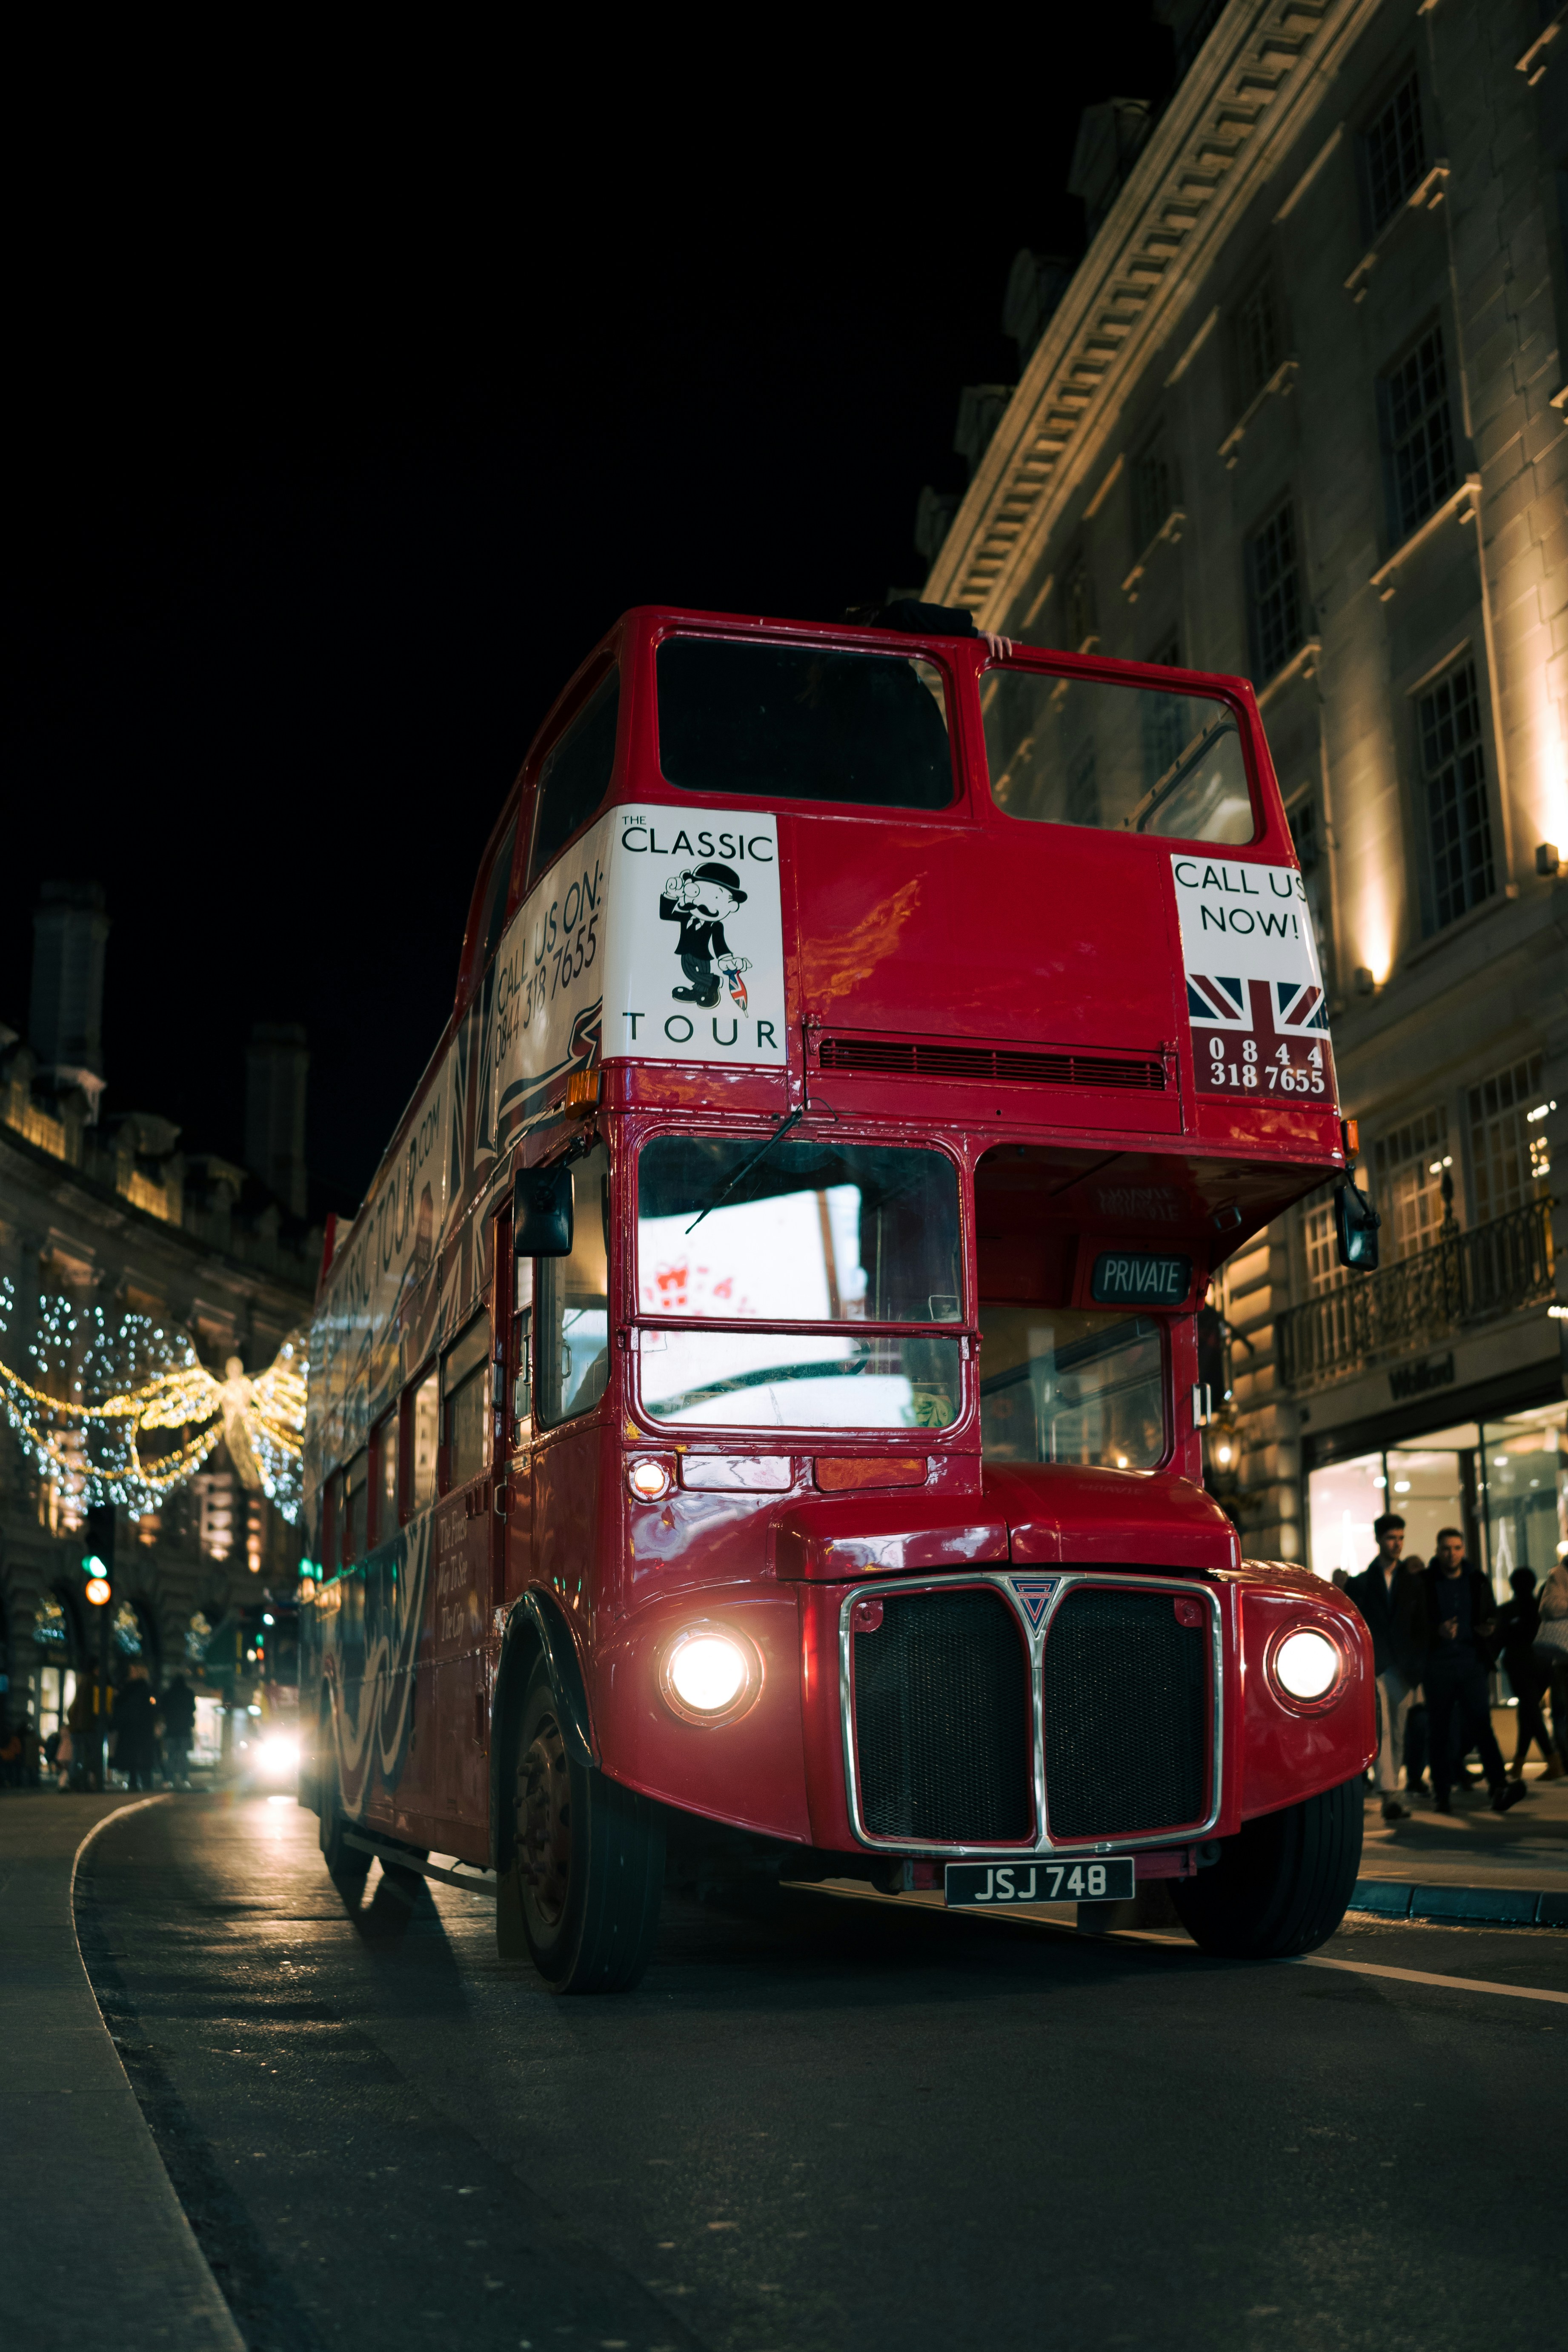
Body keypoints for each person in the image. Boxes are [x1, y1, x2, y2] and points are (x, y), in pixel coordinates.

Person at [1423, 1528, 1525, 1814]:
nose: (1451, 1554)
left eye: (1456, 1548)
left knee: (1482, 1726)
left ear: (1463, 1550)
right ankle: (1442, 1792)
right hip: (1439, 1665)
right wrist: (1437, 1632)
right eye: (1446, 1548)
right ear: (1438, 1550)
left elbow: (1492, 1611)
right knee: (1440, 1729)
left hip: (1471, 1663)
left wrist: (1489, 1628)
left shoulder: (1476, 1579)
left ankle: (1498, 1785)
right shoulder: (1427, 1581)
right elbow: (1418, 1624)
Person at [1346, 1514, 1427, 1822]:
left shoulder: (1413, 1583)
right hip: (1376, 1667)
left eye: (1401, 1538)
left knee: (1399, 1730)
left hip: (1403, 1668)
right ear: (1379, 1539)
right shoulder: (1363, 1583)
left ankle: (1393, 1791)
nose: (1398, 1544)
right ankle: (1390, 1793)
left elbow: (1422, 1628)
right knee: (1382, 1731)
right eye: (1392, 1537)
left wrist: (1417, 1669)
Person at [1496, 1568, 1563, 1779]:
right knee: (1528, 1712)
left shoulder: (1507, 1611)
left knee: (1530, 1712)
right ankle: (1519, 1762)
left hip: (1520, 1667)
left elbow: (1500, 1639)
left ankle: (1553, 1761)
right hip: (1544, 1665)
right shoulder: (1539, 1608)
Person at [1536, 1556, 1568, 1772]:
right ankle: (1565, 1760)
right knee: (1562, 1710)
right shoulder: (1559, 1573)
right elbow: (1549, 1606)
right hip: (1564, 1655)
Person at [111, 1663, 159, 1792]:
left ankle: (135, 1782)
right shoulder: (146, 1688)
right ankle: (144, 1784)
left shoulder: (131, 1689)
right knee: (142, 1758)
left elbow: (124, 1707)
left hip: (132, 1728)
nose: (130, 1673)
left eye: (132, 1671)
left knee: (133, 1757)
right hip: (142, 1730)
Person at [160, 1673, 197, 1788]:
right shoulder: (189, 1694)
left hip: (171, 1730)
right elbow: (193, 1708)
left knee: (170, 1756)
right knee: (184, 1756)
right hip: (185, 1730)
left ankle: (169, 1779)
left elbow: (162, 1709)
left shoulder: (167, 1695)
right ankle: (184, 1779)